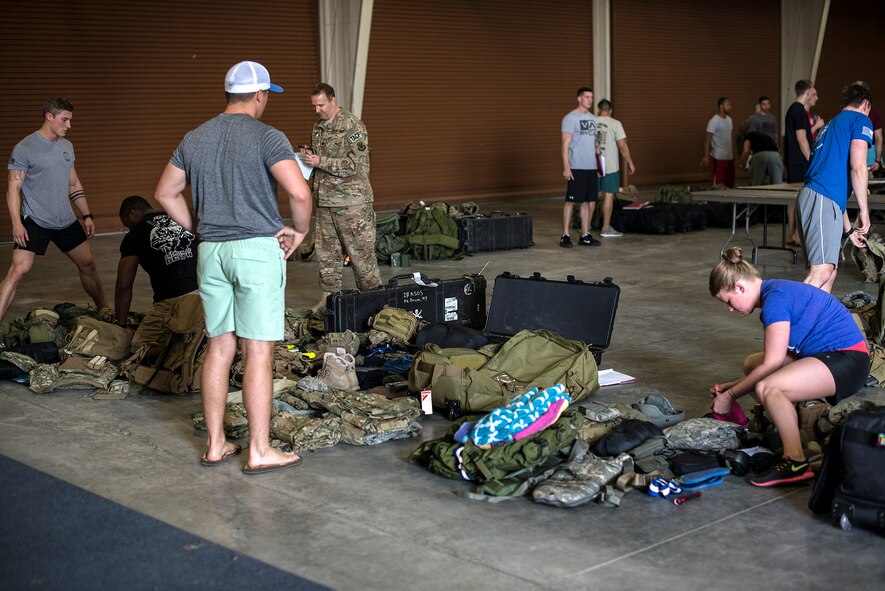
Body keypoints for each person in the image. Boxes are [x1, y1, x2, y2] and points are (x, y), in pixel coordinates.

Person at [155, 60, 312, 474]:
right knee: (257, 349)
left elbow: (166, 192)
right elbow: (299, 192)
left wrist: (200, 228)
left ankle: (215, 444)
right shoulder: (267, 136)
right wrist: (299, 231)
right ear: (260, 95)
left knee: (219, 346)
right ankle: (259, 450)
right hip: (255, 251)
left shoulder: (194, 138)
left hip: (211, 253)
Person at [709, 246, 869, 487]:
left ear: (740, 287)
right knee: (752, 364)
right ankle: (789, 426)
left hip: (848, 361)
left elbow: (773, 363)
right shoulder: (774, 290)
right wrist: (728, 387)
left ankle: (795, 461)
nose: (730, 309)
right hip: (827, 355)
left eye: (728, 301)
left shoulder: (775, 301)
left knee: (770, 388)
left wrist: (730, 395)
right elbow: (770, 362)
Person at [2, 96, 109, 323]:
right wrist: (17, 223)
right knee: (18, 271)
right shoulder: (25, 148)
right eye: (64, 119)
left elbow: (74, 184)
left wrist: (87, 215)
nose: (69, 125)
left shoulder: (66, 146)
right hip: (35, 220)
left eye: (70, 120)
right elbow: (13, 189)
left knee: (88, 264)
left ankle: (106, 312)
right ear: (49, 116)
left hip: (65, 220)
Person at [300, 83, 382, 306]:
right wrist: (310, 156)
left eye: (321, 105)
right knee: (327, 256)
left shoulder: (352, 126)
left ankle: (375, 303)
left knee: (362, 257)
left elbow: (355, 165)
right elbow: (322, 158)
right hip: (325, 201)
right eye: (314, 106)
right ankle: (329, 302)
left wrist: (320, 161)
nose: (317, 110)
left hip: (352, 204)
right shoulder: (318, 127)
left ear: (333, 101)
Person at [796, 83, 873, 293]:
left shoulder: (829, 127)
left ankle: (817, 316)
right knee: (821, 272)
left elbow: (834, 186)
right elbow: (858, 167)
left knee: (829, 273)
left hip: (819, 197)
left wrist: (849, 230)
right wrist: (864, 212)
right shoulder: (860, 119)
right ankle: (788, 313)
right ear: (865, 104)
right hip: (821, 197)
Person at [115, 195, 199, 361]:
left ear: (133, 213)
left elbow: (124, 285)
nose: (128, 228)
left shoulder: (135, 235)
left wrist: (121, 325)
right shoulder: (182, 218)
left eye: (126, 224)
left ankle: (187, 350)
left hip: (171, 299)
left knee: (137, 349)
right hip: (206, 293)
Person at [560, 86, 601, 248]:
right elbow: (565, 145)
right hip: (576, 166)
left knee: (586, 202)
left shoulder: (593, 119)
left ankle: (585, 235)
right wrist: (567, 167)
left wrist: (599, 166)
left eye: (591, 97)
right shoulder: (570, 118)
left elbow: (596, 144)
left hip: (591, 167)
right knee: (571, 202)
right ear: (579, 98)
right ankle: (565, 235)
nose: (590, 100)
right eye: (587, 97)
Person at [595, 99, 636, 238]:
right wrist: (630, 162)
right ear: (610, 110)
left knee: (593, 196)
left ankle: (586, 228)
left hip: (594, 164)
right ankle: (606, 228)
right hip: (609, 165)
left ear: (598, 109)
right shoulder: (615, 123)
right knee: (608, 194)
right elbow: (622, 146)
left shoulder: (591, 122)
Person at [784, 80, 818, 245]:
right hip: (800, 162)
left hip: (793, 161)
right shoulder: (799, 111)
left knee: (793, 198)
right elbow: (801, 138)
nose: (816, 97)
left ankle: (791, 234)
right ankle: (797, 234)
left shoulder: (792, 109)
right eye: (814, 92)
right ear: (808, 91)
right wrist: (811, 160)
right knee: (802, 198)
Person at [701, 97, 734, 188]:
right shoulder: (714, 121)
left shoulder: (730, 120)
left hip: (729, 157)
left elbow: (729, 138)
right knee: (717, 185)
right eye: (728, 105)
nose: (730, 107)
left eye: (730, 105)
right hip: (718, 157)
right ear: (721, 106)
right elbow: (707, 140)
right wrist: (706, 156)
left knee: (729, 185)